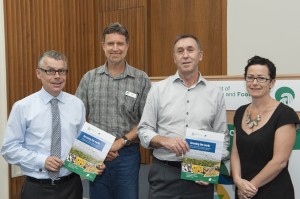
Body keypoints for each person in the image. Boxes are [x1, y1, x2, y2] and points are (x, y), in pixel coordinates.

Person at [1, 50, 105, 199]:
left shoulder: (77, 104)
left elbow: (81, 144)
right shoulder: (22, 107)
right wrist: (42, 161)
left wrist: (93, 163)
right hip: (37, 188)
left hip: (71, 186)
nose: (57, 76)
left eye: (61, 71)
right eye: (50, 71)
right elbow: (9, 149)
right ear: (38, 73)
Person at [138, 34, 230, 199]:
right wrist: (163, 140)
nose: (185, 55)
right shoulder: (158, 90)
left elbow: (222, 139)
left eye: (190, 50)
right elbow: (144, 130)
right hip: (164, 173)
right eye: (180, 51)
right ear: (174, 58)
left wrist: (207, 169)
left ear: (200, 55)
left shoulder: (215, 94)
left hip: (199, 175)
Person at [75, 22, 151, 199]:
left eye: (120, 43)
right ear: (103, 46)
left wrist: (121, 141)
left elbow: (146, 121)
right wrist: (97, 147)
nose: (115, 48)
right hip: (94, 151)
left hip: (127, 155)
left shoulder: (141, 79)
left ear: (127, 46)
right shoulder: (89, 78)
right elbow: (76, 118)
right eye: (110, 43)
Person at [230, 55, 300, 199]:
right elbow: (235, 152)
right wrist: (237, 180)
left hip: (273, 191)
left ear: (272, 82)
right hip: (243, 189)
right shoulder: (240, 112)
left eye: (261, 78)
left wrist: (249, 188)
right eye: (250, 77)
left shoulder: (285, 114)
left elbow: (279, 162)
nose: (255, 83)